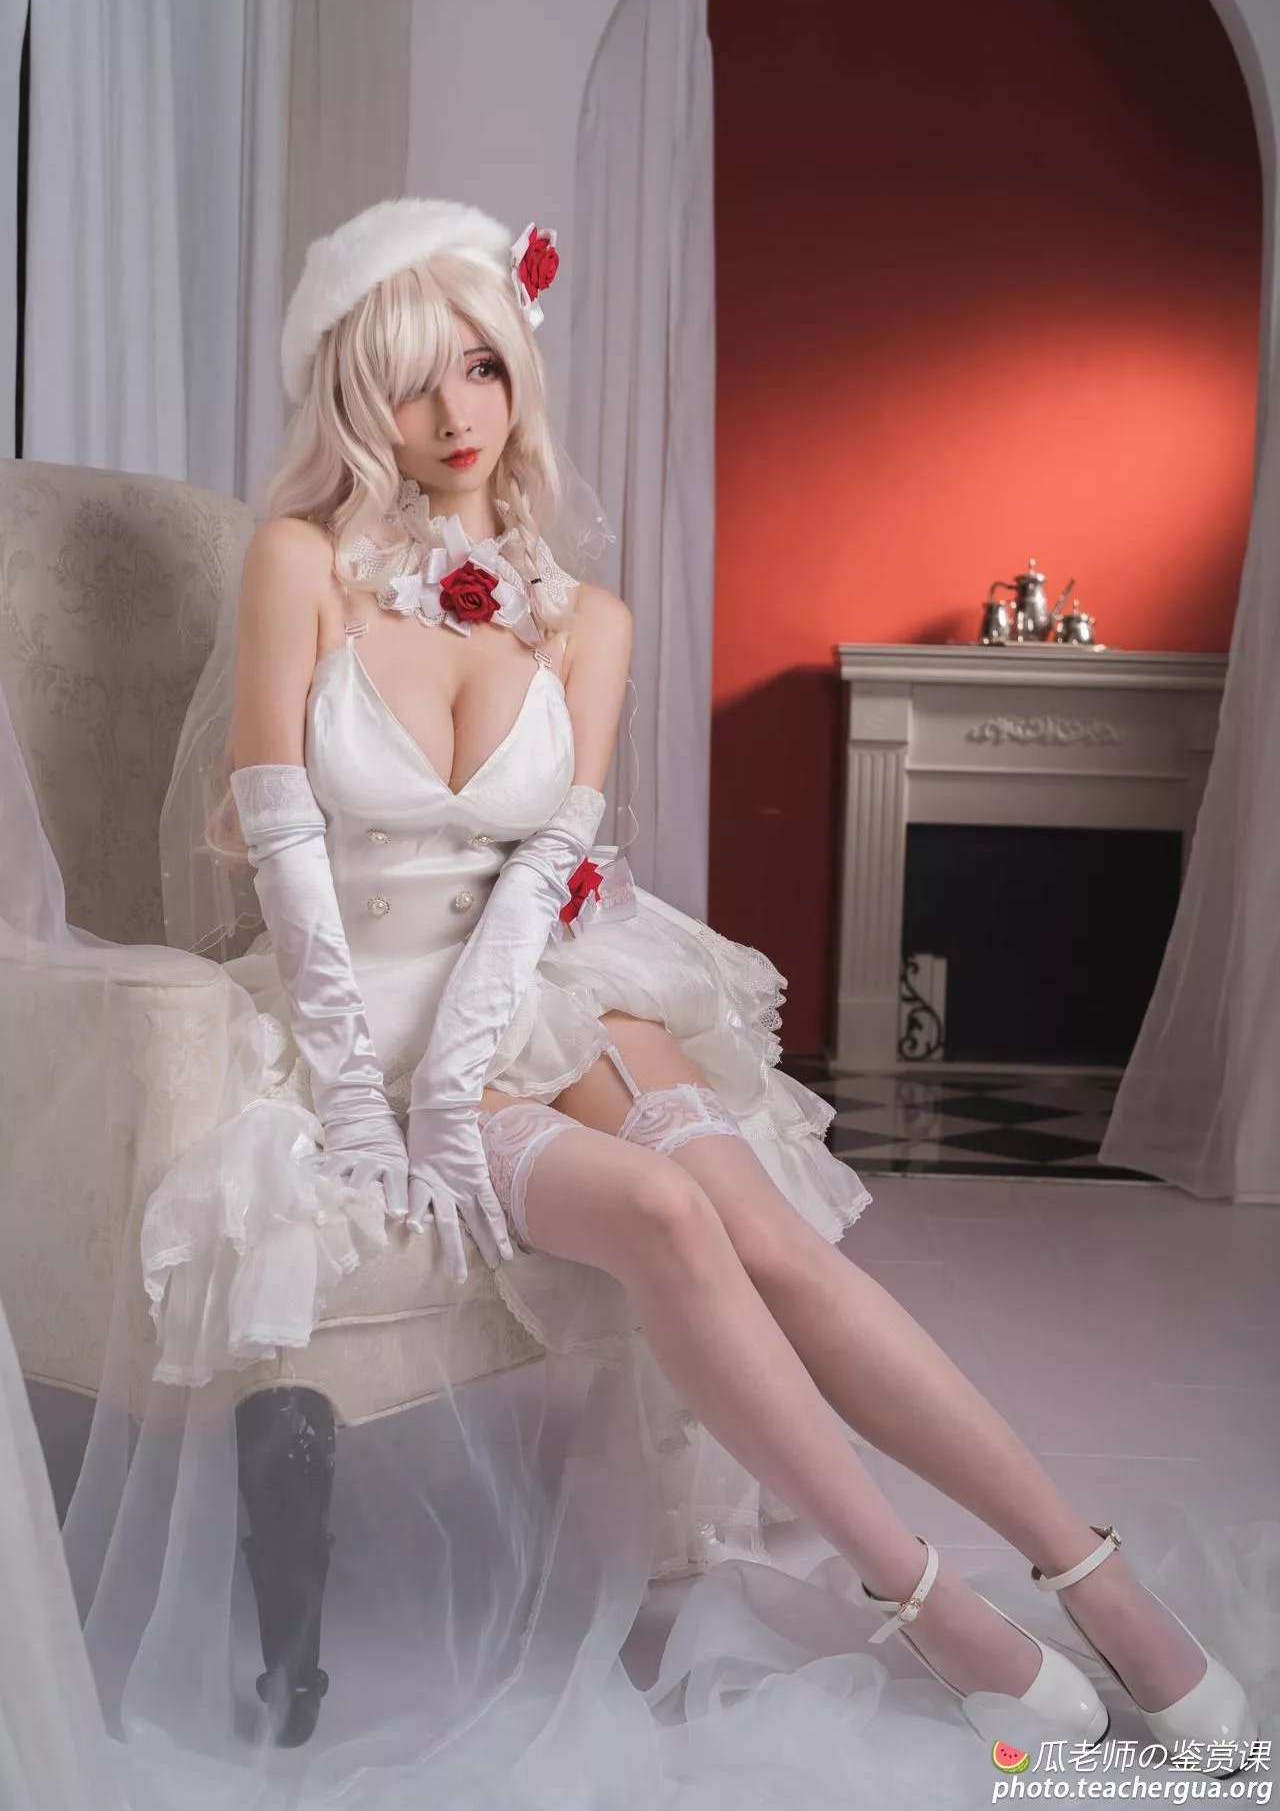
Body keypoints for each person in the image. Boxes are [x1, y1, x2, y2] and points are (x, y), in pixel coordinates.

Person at [5, 197, 1264, 1808]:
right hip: (357, 1007)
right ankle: (931, 1604)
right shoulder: (297, 565)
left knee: (770, 1238)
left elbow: (547, 869)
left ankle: (1092, 1573)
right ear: (354, 400)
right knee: (668, 1218)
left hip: (542, 984)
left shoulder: (581, 616)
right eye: (411, 379)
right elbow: (286, 849)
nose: (456, 410)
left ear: (518, 370)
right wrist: (385, 1093)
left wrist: (470, 1060)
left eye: (481, 365)